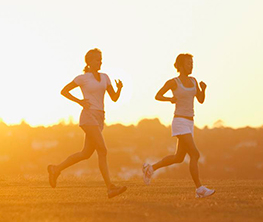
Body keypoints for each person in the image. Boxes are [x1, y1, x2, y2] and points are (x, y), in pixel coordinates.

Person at [47, 48, 127, 199]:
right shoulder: (83, 78)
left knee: (85, 153)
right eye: (97, 59)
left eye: (101, 59)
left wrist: (119, 89)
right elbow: (64, 91)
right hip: (88, 116)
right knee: (102, 150)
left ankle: (56, 169)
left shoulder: (105, 77)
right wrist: (79, 102)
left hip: (100, 118)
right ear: (89, 62)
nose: (100, 61)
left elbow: (114, 98)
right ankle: (110, 187)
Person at [142, 53, 215, 198]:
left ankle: (150, 168)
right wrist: (170, 99)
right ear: (180, 65)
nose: (191, 65)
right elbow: (158, 95)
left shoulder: (194, 81)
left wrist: (203, 89)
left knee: (178, 157)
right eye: (189, 63)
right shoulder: (174, 82)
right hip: (180, 121)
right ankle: (199, 189)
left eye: (192, 63)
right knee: (195, 154)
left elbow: (200, 100)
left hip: (190, 122)